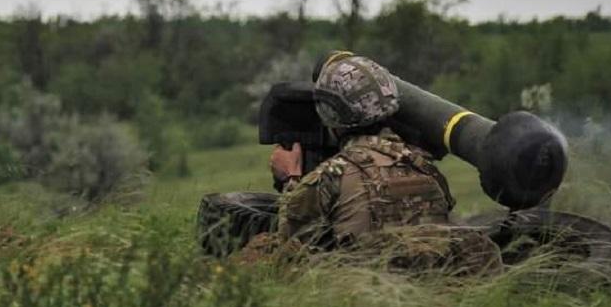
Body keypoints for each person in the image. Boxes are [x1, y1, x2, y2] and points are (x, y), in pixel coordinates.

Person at [199, 51, 500, 273]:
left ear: (331, 116)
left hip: (364, 289)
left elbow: (291, 235)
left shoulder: (334, 173)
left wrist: (290, 175)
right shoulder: (425, 167)